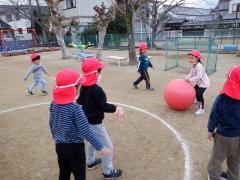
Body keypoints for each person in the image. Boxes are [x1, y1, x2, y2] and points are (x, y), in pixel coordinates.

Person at [49, 68, 111, 180]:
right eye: (79, 86)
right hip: (75, 147)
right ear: (73, 88)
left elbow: (51, 122)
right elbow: (86, 131)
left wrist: (55, 136)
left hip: (59, 146)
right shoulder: (75, 108)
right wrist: (100, 147)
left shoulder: (53, 104)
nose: (80, 88)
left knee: (64, 172)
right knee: (79, 175)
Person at [76, 58, 124, 179]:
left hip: (86, 122)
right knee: (108, 146)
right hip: (95, 123)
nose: (100, 74)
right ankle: (108, 172)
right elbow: (103, 106)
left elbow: (80, 101)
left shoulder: (84, 87)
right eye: (99, 71)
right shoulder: (97, 89)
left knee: (93, 140)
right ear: (95, 73)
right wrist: (116, 108)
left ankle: (91, 161)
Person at [207, 65, 240, 180]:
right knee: (235, 160)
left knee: (216, 159)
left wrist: (210, 129)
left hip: (224, 136)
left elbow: (214, 116)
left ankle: (214, 177)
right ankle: (233, 177)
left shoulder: (222, 98)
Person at [185, 49, 210, 115]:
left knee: (199, 94)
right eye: (189, 58)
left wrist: (190, 80)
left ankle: (201, 108)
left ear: (197, 58)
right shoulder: (194, 65)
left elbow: (199, 76)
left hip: (204, 83)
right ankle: (197, 100)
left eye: (192, 58)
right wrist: (186, 78)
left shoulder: (199, 66)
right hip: (199, 83)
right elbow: (191, 73)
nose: (190, 60)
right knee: (194, 91)